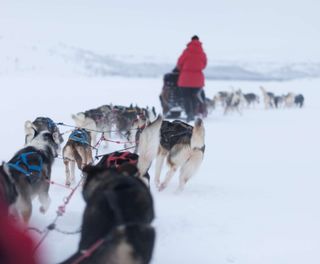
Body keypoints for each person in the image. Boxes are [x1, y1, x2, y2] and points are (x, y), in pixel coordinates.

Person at [176, 35, 207, 122]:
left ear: (191, 40)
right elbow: (204, 65)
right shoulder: (202, 53)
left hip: (185, 79)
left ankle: (188, 113)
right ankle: (194, 113)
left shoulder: (186, 51)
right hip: (198, 80)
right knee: (194, 97)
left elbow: (179, 63)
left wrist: (183, 69)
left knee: (186, 97)